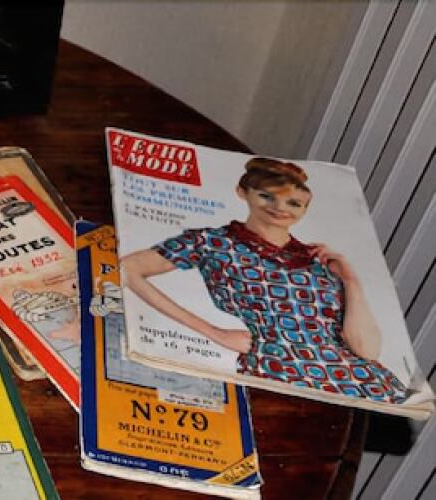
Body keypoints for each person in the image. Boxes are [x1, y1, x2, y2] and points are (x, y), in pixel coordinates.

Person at [120, 158, 410, 403]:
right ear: (242, 192)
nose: (280, 208)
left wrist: (350, 280)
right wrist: (215, 333)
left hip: (362, 383)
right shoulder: (211, 242)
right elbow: (128, 269)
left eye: (294, 203)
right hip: (280, 373)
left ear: (304, 209)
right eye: (267, 196)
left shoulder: (317, 258)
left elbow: (368, 351)